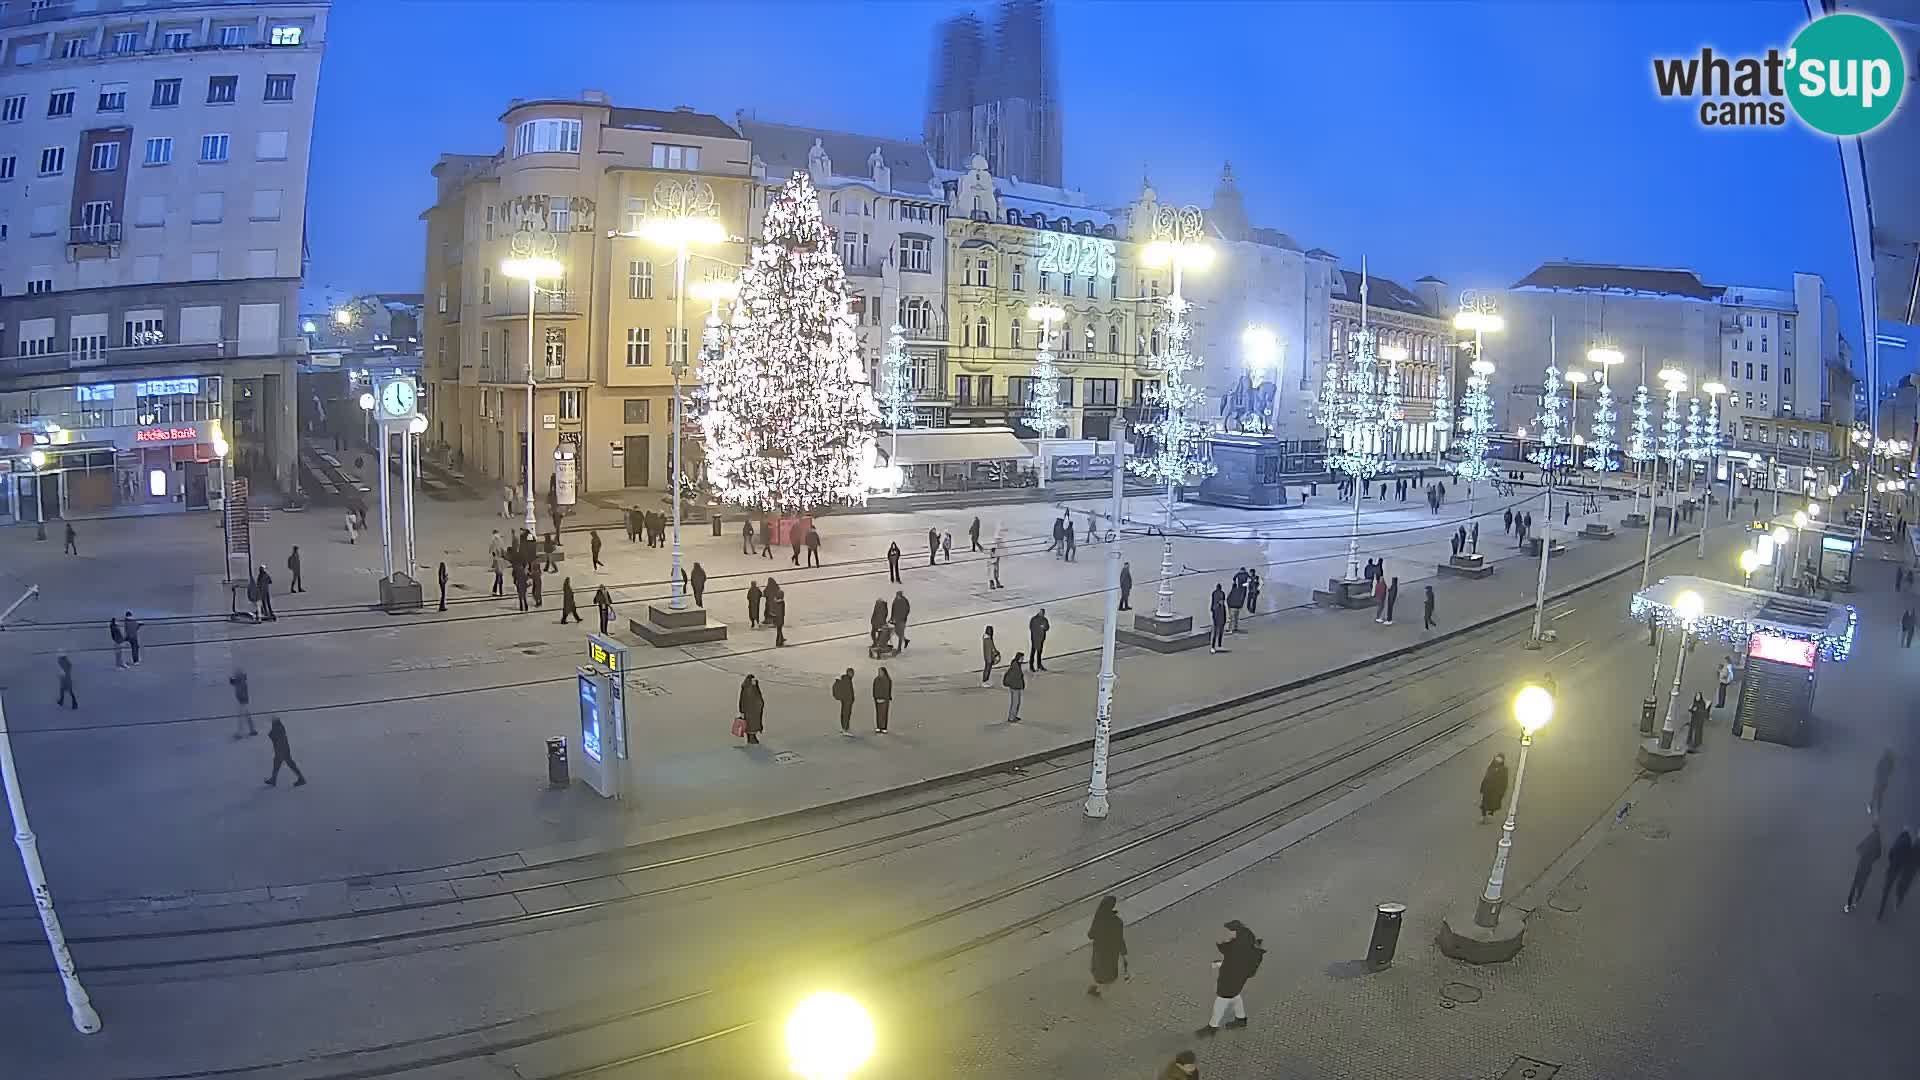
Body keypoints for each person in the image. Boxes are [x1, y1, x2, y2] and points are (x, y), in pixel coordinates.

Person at [1195, 920, 1263, 1037]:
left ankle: (1212, 1027)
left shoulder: (1237, 946)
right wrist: (1222, 963)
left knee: (1222, 998)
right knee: (1234, 995)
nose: (1225, 936)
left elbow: (1234, 958)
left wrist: (1221, 955)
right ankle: (1241, 1020)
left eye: (1227, 933)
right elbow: (1235, 959)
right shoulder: (1243, 940)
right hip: (1237, 975)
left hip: (1233, 977)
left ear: (1235, 932)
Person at [1086, 894, 1129, 996]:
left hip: (1099, 949)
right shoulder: (1117, 921)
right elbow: (1120, 939)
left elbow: (1090, 935)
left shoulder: (1099, 918)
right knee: (1108, 972)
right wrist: (1123, 953)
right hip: (1111, 951)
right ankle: (1098, 989)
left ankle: (1096, 988)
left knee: (1098, 969)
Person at [1846, 822, 1883, 913]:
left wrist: (1860, 851)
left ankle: (1849, 904)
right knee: (1862, 883)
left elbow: (1860, 846)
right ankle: (1857, 899)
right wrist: (1873, 859)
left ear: (1874, 828)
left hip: (1862, 863)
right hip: (1868, 866)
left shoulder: (1870, 837)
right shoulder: (1878, 840)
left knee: (1855, 883)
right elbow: (1879, 854)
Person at [1879, 827, 1914, 920]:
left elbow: (1891, 852)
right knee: (1893, 885)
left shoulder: (1898, 840)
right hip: (1898, 869)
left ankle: (1880, 910)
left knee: (1886, 888)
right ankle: (1892, 902)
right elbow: (1908, 858)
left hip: (1892, 867)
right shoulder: (1909, 843)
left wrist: (1891, 862)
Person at [264, 716, 306, 787]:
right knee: (277, 764)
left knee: (289, 764)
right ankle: (273, 779)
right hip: (282, 749)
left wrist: (271, 736)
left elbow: (277, 739)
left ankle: (301, 779)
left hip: (281, 750)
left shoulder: (277, 728)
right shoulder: (278, 726)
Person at [1479, 753, 1509, 820]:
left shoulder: (1504, 769)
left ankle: (1491, 813)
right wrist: (1482, 786)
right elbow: (1486, 776)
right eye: (1497, 758)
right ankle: (1483, 816)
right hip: (1488, 787)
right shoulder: (1491, 766)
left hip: (1496, 789)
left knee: (1494, 802)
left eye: (1500, 759)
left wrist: (1502, 790)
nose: (1498, 760)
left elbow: (1505, 781)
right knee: (1484, 801)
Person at [229, 669, 257, 739]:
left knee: (241, 718)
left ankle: (240, 733)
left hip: (242, 702)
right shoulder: (240, 681)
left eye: (236, 675)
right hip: (243, 701)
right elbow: (234, 683)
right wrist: (232, 681)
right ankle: (252, 730)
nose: (235, 676)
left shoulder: (241, 683)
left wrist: (242, 700)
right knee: (247, 717)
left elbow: (241, 690)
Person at [739, 675, 764, 744]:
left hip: (755, 710)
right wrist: (742, 710)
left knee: (754, 724)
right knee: (750, 724)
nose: (754, 681)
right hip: (749, 710)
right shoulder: (746, 688)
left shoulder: (755, 687)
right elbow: (742, 700)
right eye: (753, 680)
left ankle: (752, 737)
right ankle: (751, 738)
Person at [1871, 749, 1896, 818]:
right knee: (1878, 794)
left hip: (1881, 780)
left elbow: (1879, 769)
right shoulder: (1889, 762)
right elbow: (1889, 771)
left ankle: (1875, 809)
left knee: (1877, 794)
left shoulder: (1888, 761)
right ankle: (1874, 809)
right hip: (1882, 780)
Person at [1003, 651, 1026, 722]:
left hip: (1016, 687)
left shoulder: (1016, 665)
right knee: (1015, 703)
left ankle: (1014, 716)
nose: (1023, 659)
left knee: (1017, 702)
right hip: (1015, 687)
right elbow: (1016, 678)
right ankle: (1011, 718)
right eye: (1022, 658)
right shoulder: (1016, 667)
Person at [832, 668, 856, 735]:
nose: (852, 674)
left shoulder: (847, 679)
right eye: (851, 673)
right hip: (846, 700)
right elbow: (847, 690)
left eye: (853, 673)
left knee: (845, 714)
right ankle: (845, 729)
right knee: (846, 714)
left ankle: (844, 728)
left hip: (847, 700)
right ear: (848, 673)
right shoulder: (846, 680)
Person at [872, 667, 893, 733]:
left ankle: (884, 727)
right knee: (878, 713)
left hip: (885, 699)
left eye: (880, 671)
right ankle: (879, 727)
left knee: (884, 713)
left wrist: (885, 698)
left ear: (884, 672)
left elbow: (887, 690)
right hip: (877, 699)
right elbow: (874, 689)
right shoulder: (876, 679)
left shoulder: (887, 680)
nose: (879, 673)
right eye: (878, 671)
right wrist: (875, 697)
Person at [1209, 584, 1229, 653]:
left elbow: (1212, 607)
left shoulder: (1215, 605)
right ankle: (1216, 646)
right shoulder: (1221, 607)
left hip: (1217, 620)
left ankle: (1215, 646)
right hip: (1219, 621)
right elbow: (1224, 614)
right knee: (1217, 633)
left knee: (1217, 633)